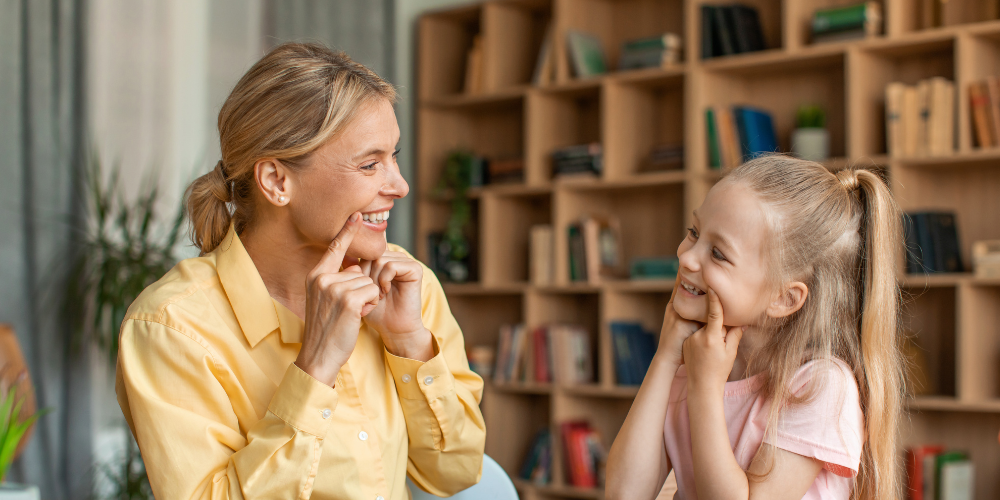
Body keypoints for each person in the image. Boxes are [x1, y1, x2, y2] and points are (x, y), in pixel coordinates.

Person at [115, 42, 486, 500]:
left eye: (394, 157)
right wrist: (316, 368)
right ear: (276, 181)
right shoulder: (171, 327)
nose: (400, 185)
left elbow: (458, 472)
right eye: (371, 164)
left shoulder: (408, 287)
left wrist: (409, 342)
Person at [606, 155, 904, 500]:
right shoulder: (695, 363)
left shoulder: (820, 387)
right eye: (694, 233)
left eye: (717, 253)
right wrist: (665, 358)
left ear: (784, 299)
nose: (685, 257)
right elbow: (623, 494)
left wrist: (705, 387)